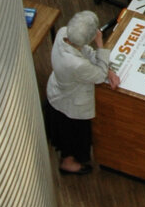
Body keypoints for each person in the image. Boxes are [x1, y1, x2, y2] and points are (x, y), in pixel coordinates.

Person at [43, 9, 119, 175]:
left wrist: (108, 69)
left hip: (57, 91)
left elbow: (85, 52)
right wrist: (100, 44)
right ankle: (68, 163)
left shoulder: (63, 33)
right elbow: (98, 75)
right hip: (70, 104)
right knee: (73, 136)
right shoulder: (77, 64)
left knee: (68, 133)